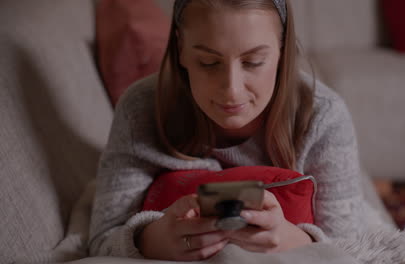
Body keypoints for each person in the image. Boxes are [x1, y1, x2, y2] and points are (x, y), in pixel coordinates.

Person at [88, 0, 388, 261]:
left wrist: (291, 240)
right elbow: (102, 239)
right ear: (180, 48)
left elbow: (351, 248)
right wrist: (152, 240)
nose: (231, 90)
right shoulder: (140, 108)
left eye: (253, 62)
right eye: (208, 62)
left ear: (283, 51)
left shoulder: (323, 116)